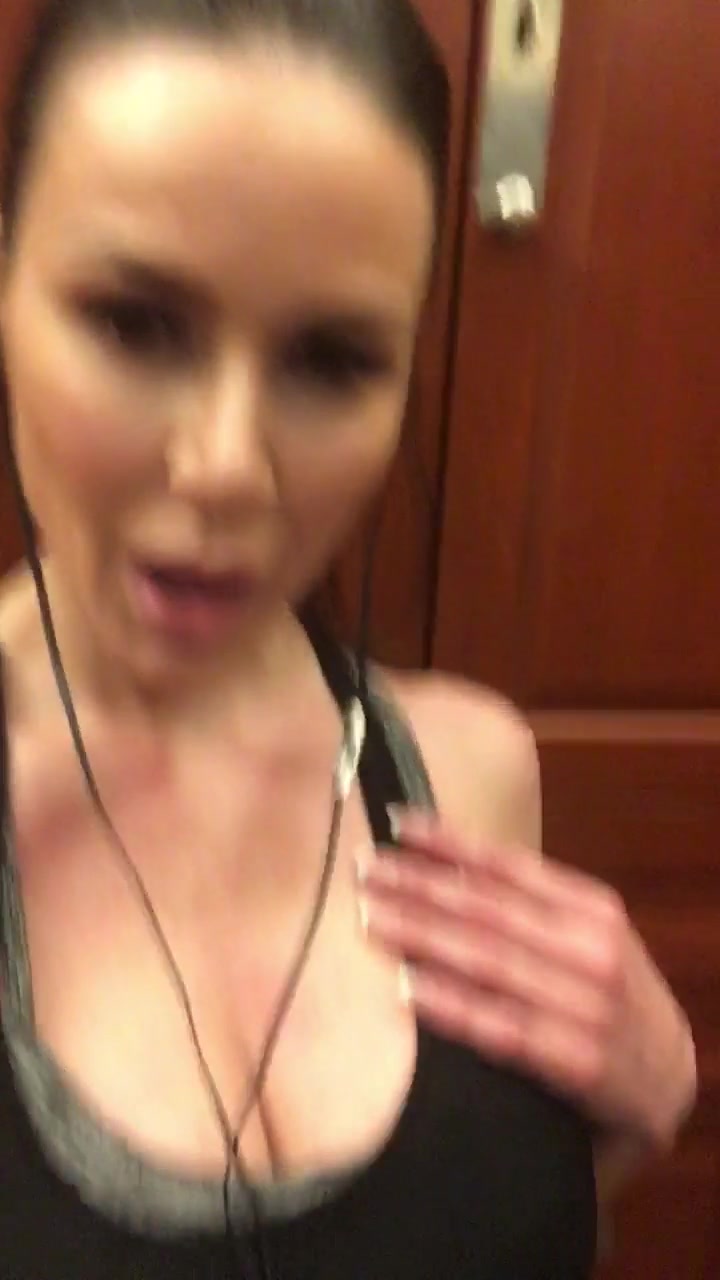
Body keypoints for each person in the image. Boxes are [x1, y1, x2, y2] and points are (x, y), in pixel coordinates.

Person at [0, 0, 696, 1276]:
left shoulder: (469, 773)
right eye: (135, 323)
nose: (227, 467)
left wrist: (628, 1116)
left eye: (331, 361)